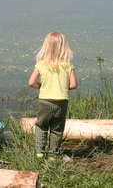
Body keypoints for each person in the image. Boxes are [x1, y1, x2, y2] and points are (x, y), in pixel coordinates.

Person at [28, 31, 77, 159]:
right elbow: (73, 85)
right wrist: (61, 87)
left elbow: (31, 82)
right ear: (64, 47)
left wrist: (41, 87)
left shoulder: (41, 64)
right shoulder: (68, 65)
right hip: (61, 102)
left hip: (45, 101)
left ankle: (39, 153)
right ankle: (53, 155)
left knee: (41, 126)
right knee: (57, 129)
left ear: (46, 46)